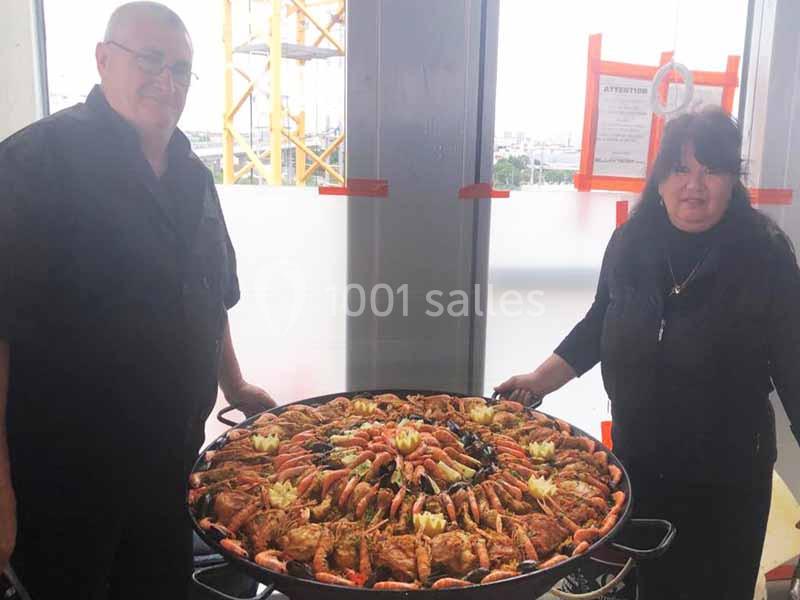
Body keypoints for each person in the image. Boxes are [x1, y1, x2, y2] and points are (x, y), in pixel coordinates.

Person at [0, 2, 276, 597]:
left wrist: (236, 386)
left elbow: (208, 297)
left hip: (169, 461)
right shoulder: (34, 163)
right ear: (103, 60)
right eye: (150, 60)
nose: (166, 80)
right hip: (64, 475)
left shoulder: (192, 174)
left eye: (181, 68)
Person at [496, 108, 800, 599]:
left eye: (711, 170)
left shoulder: (765, 254)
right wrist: (539, 379)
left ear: (732, 180)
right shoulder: (631, 241)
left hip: (725, 475)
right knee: (641, 586)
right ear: (659, 179)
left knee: (713, 589)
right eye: (680, 169)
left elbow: (794, 363)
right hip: (637, 463)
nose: (694, 186)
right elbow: (600, 321)